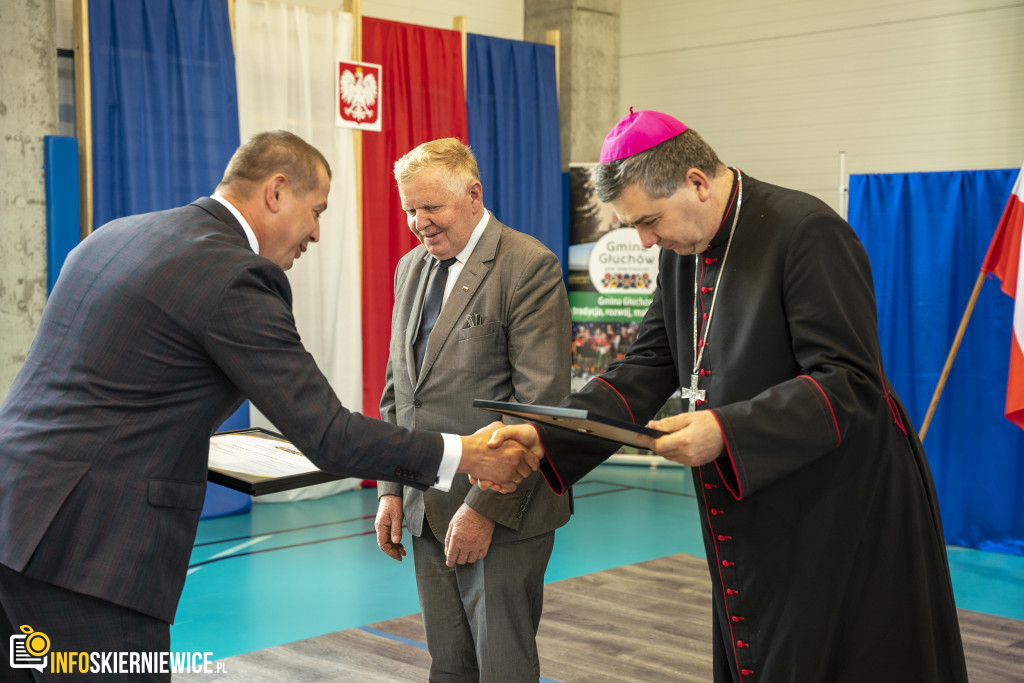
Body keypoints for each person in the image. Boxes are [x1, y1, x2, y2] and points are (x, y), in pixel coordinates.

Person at [0, 130, 539, 681]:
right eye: (316, 211)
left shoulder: (116, 235)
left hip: (13, 514)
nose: (316, 233)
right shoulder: (235, 273)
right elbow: (330, 436)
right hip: (87, 553)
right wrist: (466, 454)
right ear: (277, 191)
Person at [488, 110, 969, 682]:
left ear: (696, 182)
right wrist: (548, 433)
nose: (644, 242)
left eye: (648, 221)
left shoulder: (804, 229)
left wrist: (725, 431)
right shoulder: (681, 250)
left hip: (840, 498)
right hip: (750, 491)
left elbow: (850, 380)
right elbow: (645, 366)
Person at [374, 138, 571, 682]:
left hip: (502, 512)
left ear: (474, 194)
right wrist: (392, 489)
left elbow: (540, 406)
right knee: (449, 666)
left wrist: (483, 508)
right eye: (410, 208)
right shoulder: (409, 268)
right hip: (425, 504)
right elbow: (400, 391)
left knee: (502, 665)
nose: (418, 222)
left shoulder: (528, 265)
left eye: (431, 207)